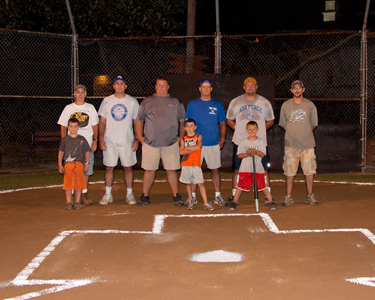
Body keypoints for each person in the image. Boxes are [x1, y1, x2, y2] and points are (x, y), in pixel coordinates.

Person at [135, 77, 185, 206]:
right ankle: (145, 195)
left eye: (164, 85)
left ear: (168, 87)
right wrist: (140, 137)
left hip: (171, 143)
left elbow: (182, 121)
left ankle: (176, 196)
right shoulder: (147, 101)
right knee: (149, 170)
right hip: (151, 143)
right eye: (159, 85)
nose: (161, 87)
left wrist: (181, 137)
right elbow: (139, 120)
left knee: (172, 170)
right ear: (155, 86)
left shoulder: (175, 101)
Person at [226, 77, 275, 204]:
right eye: (248, 85)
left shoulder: (264, 102)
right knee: (237, 169)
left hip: (260, 142)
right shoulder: (235, 102)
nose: (250, 87)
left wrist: (260, 131)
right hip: (240, 141)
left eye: (253, 85)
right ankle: (234, 195)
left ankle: (267, 195)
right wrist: (237, 129)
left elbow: (270, 120)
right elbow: (229, 119)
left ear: (256, 87)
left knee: (263, 169)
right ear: (244, 87)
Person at [98, 75, 139, 205]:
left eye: (122, 83)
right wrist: (100, 138)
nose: (119, 85)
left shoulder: (132, 101)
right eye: (117, 83)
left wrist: (137, 138)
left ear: (125, 86)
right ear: (114, 86)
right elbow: (102, 121)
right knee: (109, 167)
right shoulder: (107, 101)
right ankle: (108, 194)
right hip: (110, 140)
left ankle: (129, 194)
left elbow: (137, 121)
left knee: (128, 168)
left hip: (127, 140)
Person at [185, 79, 226, 206]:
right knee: (193, 170)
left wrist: (222, 139)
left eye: (208, 87)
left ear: (211, 89)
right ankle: (192, 197)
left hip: (212, 143)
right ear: (200, 89)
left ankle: (217, 195)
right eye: (204, 87)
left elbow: (223, 123)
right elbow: (187, 124)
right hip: (196, 144)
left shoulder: (217, 104)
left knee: (215, 170)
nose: (206, 89)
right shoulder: (193, 104)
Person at [279, 80, 318, 206]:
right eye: (294, 88)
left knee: (309, 171)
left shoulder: (310, 105)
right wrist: (293, 132)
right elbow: (284, 124)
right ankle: (288, 196)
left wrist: (303, 133)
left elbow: (313, 124)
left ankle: (310, 195)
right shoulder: (286, 105)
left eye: (299, 88)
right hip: (291, 145)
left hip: (307, 145)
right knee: (290, 172)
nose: (297, 90)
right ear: (291, 90)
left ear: (303, 89)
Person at [58, 84, 99, 205]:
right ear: (74, 94)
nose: (80, 94)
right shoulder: (68, 108)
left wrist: (95, 141)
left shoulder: (90, 108)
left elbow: (95, 126)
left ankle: (84, 195)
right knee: (71, 169)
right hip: (71, 146)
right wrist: (65, 142)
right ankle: (71, 196)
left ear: (85, 94)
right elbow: (63, 126)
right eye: (78, 92)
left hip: (86, 145)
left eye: (82, 92)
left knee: (85, 171)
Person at [228, 121, 277, 211]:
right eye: (250, 129)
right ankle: (234, 202)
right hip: (245, 168)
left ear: (257, 130)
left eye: (253, 129)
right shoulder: (243, 142)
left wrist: (256, 151)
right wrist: (248, 153)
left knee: (262, 185)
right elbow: (239, 155)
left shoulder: (261, 141)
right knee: (240, 186)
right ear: (247, 130)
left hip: (258, 168)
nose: (252, 131)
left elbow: (263, 154)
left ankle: (271, 201)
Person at [179, 118, 214, 211]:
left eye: (191, 126)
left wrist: (187, 149)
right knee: (188, 183)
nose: (189, 128)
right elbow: (181, 152)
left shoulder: (199, 136)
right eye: (187, 126)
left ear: (195, 127)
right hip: (186, 164)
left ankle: (206, 203)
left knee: (200, 183)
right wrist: (192, 148)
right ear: (185, 128)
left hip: (196, 164)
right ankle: (191, 201)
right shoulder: (183, 139)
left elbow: (198, 146)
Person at [58, 118, 90, 210]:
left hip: (79, 164)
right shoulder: (65, 140)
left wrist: (86, 163)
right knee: (68, 184)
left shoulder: (82, 139)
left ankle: (77, 201)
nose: (73, 128)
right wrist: (60, 165)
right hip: (68, 165)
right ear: (68, 127)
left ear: (78, 127)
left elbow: (86, 151)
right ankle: (68, 201)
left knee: (79, 184)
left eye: (75, 126)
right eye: (71, 126)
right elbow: (61, 152)